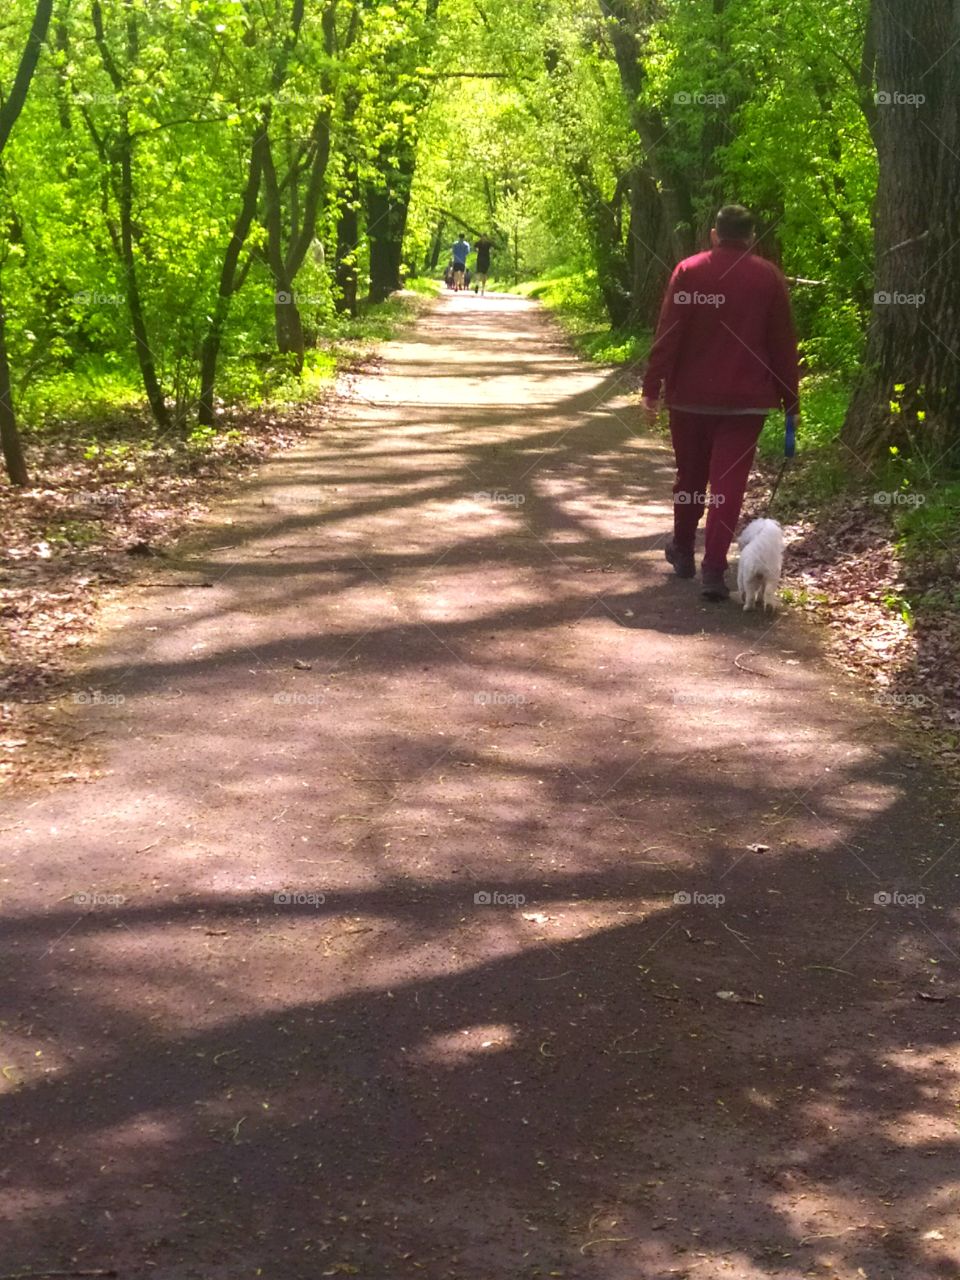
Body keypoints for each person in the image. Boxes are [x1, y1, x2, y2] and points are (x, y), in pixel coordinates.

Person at [641, 204, 800, 601]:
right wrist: (791, 401)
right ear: (751, 238)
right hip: (747, 403)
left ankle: (681, 550)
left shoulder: (689, 271)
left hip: (690, 399)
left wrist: (652, 387)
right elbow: (783, 344)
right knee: (728, 487)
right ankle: (714, 569)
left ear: (715, 234)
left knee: (690, 479)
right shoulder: (769, 278)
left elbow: (669, 334)